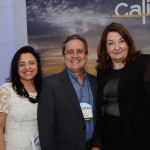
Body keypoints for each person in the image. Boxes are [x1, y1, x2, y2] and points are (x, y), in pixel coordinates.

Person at [38, 34, 101, 150]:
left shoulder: (96, 82)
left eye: (80, 51)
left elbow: (100, 119)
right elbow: (46, 129)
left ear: (86, 56)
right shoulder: (50, 85)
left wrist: (97, 144)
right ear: (64, 56)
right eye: (70, 52)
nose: (75, 56)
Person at [96, 22, 150, 150]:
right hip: (110, 138)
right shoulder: (102, 72)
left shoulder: (143, 63)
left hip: (139, 137)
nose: (117, 47)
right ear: (105, 49)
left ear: (128, 42)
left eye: (121, 41)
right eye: (111, 43)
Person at [0, 46, 42, 150]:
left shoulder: (45, 89)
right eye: (22, 64)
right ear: (16, 68)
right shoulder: (7, 90)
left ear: (38, 65)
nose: (27, 68)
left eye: (31, 63)